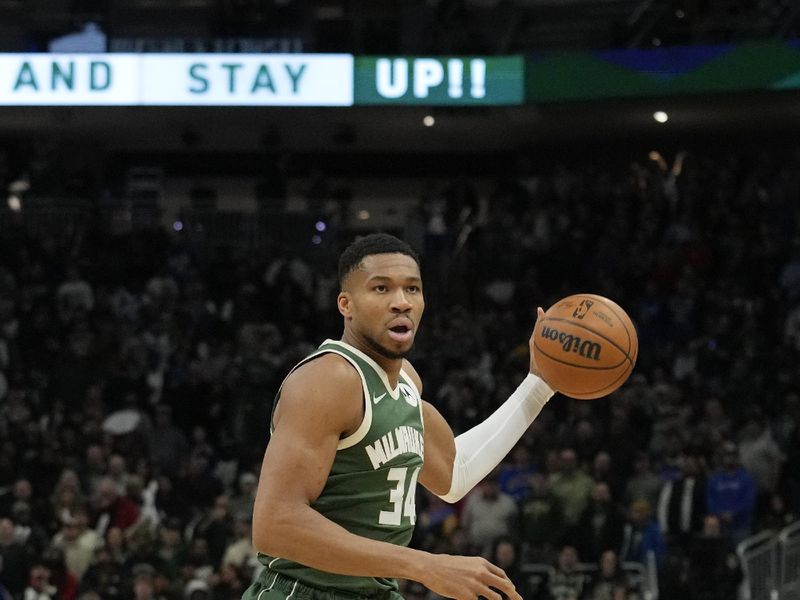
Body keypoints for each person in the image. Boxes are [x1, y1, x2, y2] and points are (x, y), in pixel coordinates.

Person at [244, 233, 556, 600]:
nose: (401, 302)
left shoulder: (407, 380)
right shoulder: (328, 379)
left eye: (412, 289)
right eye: (381, 289)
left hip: (376, 591)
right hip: (305, 592)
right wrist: (424, 565)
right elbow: (275, 525)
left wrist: (539, 385)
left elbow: (454, 474)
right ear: (346, 304)